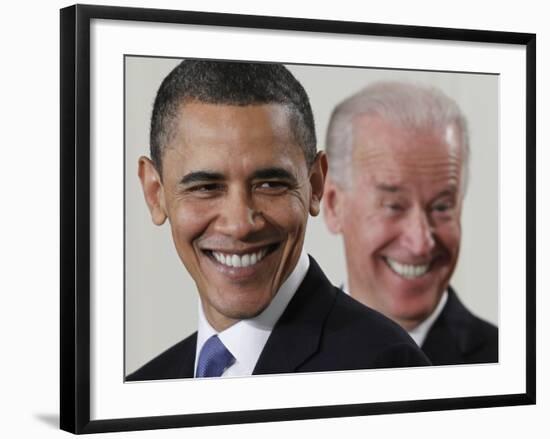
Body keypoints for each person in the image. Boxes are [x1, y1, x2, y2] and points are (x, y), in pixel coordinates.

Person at [127, 61, 430, 381]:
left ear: (315, 184)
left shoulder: (385, 369)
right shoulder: (141, 389)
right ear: (154, 192)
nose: (240, 224)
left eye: (270, 184)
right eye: (206, 188)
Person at [323, 81, 498, 366]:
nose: (420, 243)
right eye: (393, 206)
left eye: (441, 207)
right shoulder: (272, 358)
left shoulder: (520, 365)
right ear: (332, 205)